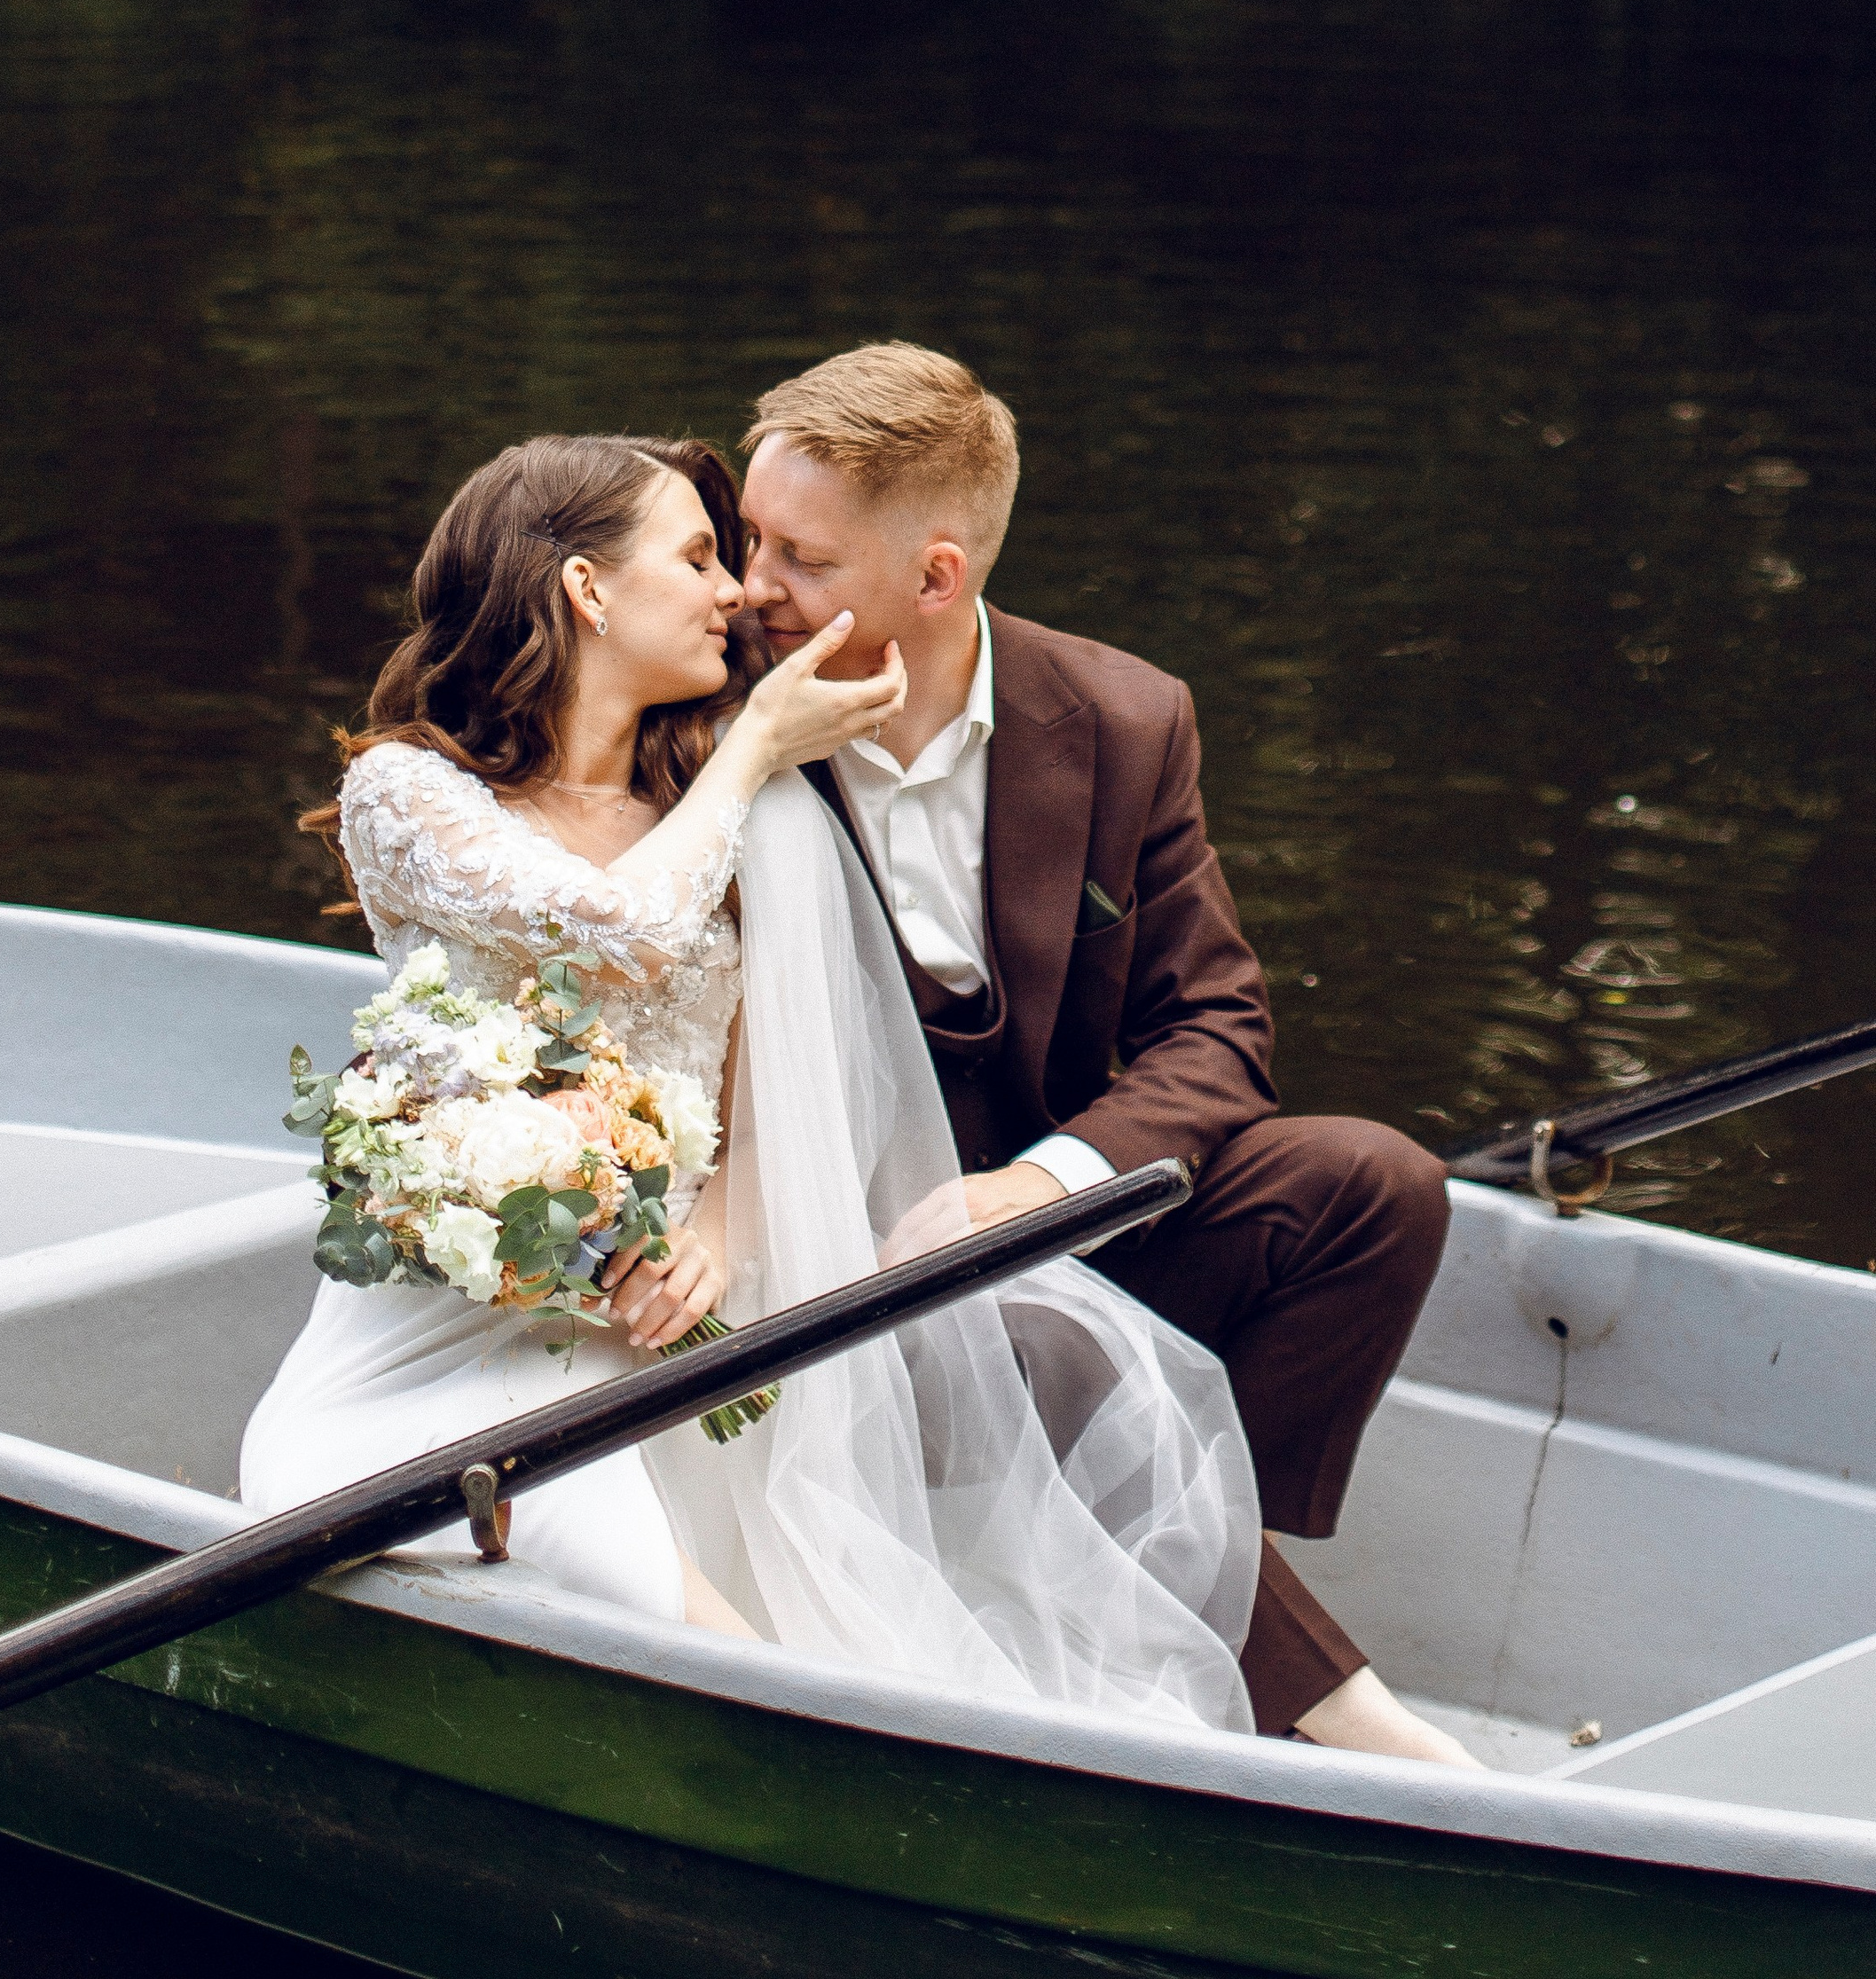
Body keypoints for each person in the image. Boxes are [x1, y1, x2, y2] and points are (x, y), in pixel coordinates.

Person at [241, 431, 1270, 1736]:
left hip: (661, 1322)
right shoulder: (410, 793)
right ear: (586, 592)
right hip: (441, 1320)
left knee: (608, 1523)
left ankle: (843, 1751)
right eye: (699, 558)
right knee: (376, 1497)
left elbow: (761, 1076)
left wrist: (717, 1236)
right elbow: (617, 930)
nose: (736, 590)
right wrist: (755, 750)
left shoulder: (738, 809)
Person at [738, 341, 1470, 1763]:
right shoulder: (720, 715)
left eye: (799, 557)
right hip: (831, 1272)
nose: (751, 584)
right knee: (1023, 1337)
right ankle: (1327, 1702)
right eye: (750, 539)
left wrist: (1046, 1187)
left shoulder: (1126, 718)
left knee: (1376, 1184)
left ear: (936, 578)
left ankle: (1178, 1580)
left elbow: (1219, 1028)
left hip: (1049, 1239)